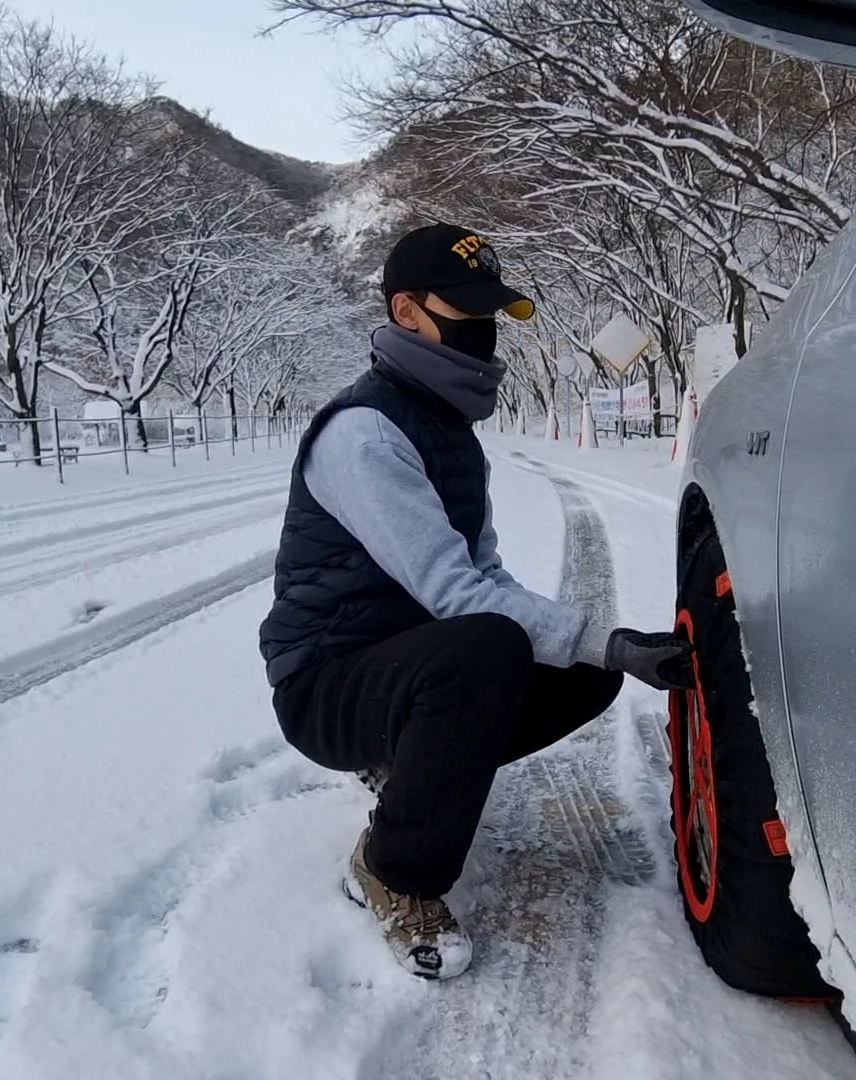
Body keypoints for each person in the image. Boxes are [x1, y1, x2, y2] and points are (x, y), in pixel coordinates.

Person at [258, 223, 690, 980]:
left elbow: (486, 577)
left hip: (407, 667)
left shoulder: (451, 435)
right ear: (405, 312)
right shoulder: (365, 433)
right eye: (465, 309)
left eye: (490, 312)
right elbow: (458, 597)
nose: (483, 330)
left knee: (584, 673)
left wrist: (604, 647)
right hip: (326, 683)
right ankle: (392, 869)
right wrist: (605, 638)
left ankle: (409, 762)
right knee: (489, 645)